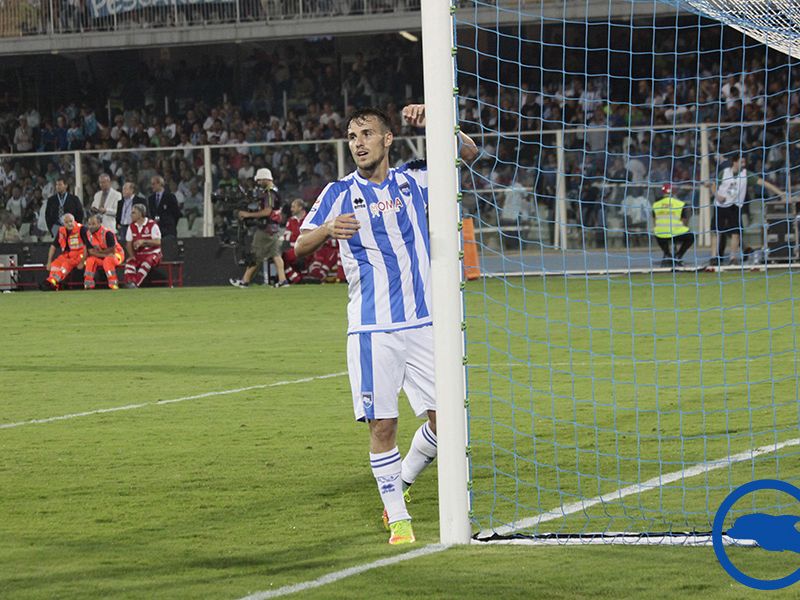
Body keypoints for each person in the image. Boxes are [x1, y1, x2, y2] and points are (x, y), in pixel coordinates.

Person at [295, 105, 479, 545]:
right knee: (383, 425)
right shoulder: (339, 192)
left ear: (387, 139)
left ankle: (406, 480)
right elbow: (300, 244)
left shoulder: (415, 178)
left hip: (423, 324)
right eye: (352, 135)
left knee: (449, 420)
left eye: (366, 133)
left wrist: (437, 119)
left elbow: (467, 153)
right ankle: (398, 520)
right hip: (371, 328)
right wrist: (328, 231)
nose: (357, 142)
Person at [229, 168, 289, 288]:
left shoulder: (269, 193)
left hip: (266, 228)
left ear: (266, 178)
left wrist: (248, 214)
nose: (258, 182)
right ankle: (283, 281)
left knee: (255, 255)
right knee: (276, 255)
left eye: (260, 180)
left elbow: (267, 211)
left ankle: (244, 281)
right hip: (274, 229)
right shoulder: (275, 190)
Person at [43, 212, 92, 290]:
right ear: (63, 223)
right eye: (66, 222)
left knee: (66, 264)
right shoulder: (61, 231)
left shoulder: (82, 229)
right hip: (67, 254)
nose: (69, 224)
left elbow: (87, 246)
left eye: (71, 221)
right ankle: (53, 285)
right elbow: (53, 246)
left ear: (74, 220)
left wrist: (82, 261)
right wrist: (49, 262)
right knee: (55, 264)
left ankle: (52, 282)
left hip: (81, 254)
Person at [652, 183, 694, 268]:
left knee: (659, 234)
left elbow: (655, 221)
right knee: (690, 237)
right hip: (676, 232)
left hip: (660, 234)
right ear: (674, 192)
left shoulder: (655, 205)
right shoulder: (680, 204)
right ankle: (678, 256)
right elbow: (684, 221)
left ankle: (668, 254)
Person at [124, 203, 162, 289]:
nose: (131, 214)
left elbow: (158, 242)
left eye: (133, 213)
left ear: (140, 214)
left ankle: (136, 283)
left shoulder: (152, 225)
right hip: (139, 254)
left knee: (147, 262)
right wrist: (132, 256)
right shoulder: (131, 226)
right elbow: (128, 244)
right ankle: (130, 282)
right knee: (129, 263)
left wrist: (143, 241)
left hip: (153, 253)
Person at [83, 213, 125, 290]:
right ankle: (88, 285)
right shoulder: (88, 235)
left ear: (99, 223)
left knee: (108, 260)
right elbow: (91, 252)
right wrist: (103, 254)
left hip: (117, 255)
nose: (91, 226)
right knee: (90, 260)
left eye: (93, 224)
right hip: (103, 256)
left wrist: (99, 253)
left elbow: (112, 251)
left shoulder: (108, 233)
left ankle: (113, 284)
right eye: (89, 224)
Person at [147, 175, 182, 257]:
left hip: (168, 229)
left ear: (160, 184)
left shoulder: (170, 197)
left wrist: (170, 223)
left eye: (154, 184)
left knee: (168, 252)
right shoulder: (151, 199)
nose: (152, 186)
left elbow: (176, 213)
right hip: (156, 230)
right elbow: (152, 213)